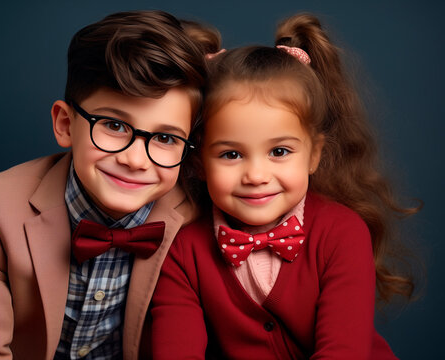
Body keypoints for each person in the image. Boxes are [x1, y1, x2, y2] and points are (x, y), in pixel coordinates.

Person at [0, 10, 221, 360]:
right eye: (115, 126)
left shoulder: (200, 214)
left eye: (165, 137)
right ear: (64, 123)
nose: (135, 160)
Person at [151, 13, 419, 359]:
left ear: (313, 155)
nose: (256, 175)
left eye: (279, 151)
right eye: (231, 154)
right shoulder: (183, 250)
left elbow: (342, 351)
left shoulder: (342, 233)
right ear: (200, 161)